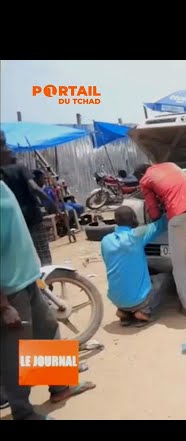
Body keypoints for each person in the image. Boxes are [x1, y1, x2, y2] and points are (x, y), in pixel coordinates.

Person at [1, 180, 96, 420]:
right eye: (2, 144)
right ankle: (23, 413)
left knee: (48, 330)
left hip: (27, 277)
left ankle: (60, 387)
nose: (5, 148)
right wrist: (3, 305)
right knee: (15, 353)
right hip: (9, 289)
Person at [134, 162, 186, 317]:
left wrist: (160, 205)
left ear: (141, 175)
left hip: (178, 219)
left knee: (179, 267)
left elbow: (154, 212)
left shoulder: (145, 180)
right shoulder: (172, 165)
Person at [101, 206, 171, 325]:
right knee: (165, 278)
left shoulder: (105, 240)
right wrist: (168, 210)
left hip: (115, 298)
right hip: (139, 301)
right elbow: (159, 226)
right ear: (134, 218)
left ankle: (124, 312)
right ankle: (144, 311)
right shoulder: (136, 236)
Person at [0, 133, 60, 266]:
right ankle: (48, 283)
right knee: (43, 254)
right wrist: (53, 204)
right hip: (32, 216)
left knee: (22, 258)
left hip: (13, 220)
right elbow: (35, 188)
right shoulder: (20, 167)